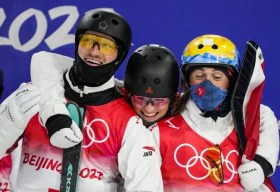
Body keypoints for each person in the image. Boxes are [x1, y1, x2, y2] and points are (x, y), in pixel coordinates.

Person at [0, 9, 162, 191]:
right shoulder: (34, 94)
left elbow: (146, 186)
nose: (94, 51)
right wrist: (7, 124)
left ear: (120, 55)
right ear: (77, 44)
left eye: (106, 45)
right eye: (88, 41)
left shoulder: (127, 121)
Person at [152, 34, 279, 191]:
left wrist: (261, 166)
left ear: (232, 81)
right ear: (187, 80)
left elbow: (263, 120)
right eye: (199, 76)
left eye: (217, 77)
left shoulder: (253, 119)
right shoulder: (163, 125)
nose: (208, 84)